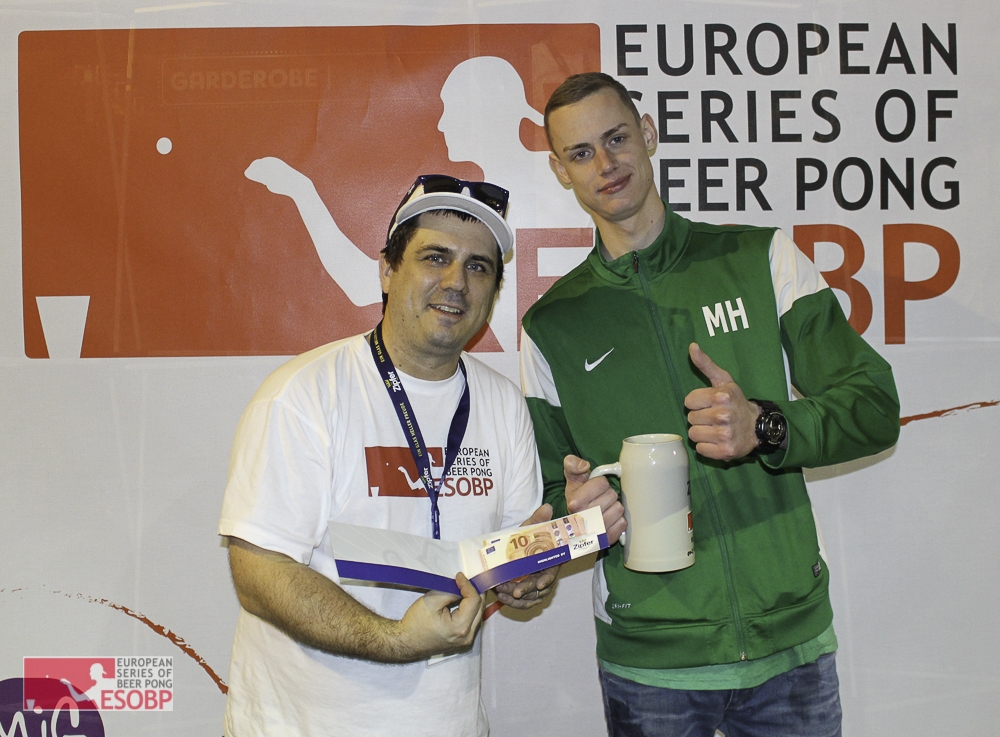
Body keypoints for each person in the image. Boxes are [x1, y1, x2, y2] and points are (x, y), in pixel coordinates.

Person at [519, 72, 900, 737]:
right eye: (581, 153)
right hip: (651, 666)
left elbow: (874, 406)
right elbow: (550, 493)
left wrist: (767, 424)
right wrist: (579, 515)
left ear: (649, 134)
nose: (605, 163)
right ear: (561, 171)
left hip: (789, 650)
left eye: (616, 138)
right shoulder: (551, 325)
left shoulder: (760, 257)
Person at [219, 174, 557, 736]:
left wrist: (535, 568)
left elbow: (506, 563)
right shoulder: (303, 394)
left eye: (478, 267)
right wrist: (397, 640)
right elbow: (259, 571)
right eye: (435, 257)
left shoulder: (503, 404)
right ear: (386, 270)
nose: (456, 282)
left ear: (494, 292)